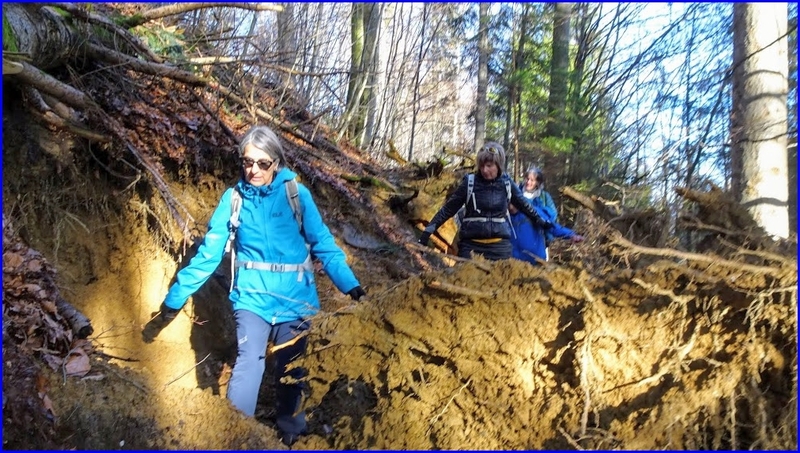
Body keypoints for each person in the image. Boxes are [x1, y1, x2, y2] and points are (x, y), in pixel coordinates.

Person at [158, 125, 366, 447]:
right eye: (247, 162)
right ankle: (236, 434)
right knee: (248, 361)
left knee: (292, 369)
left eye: (262, 163)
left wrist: (350, 285)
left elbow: (323, 244)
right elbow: (209, 254)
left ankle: (290, 437)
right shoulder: (234, 199)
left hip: (295, 298)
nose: (253, 170)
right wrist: (175, 298)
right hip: (252, 298)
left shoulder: (296, 195)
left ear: (276, 163)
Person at [417, 142, 552, 261]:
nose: (484, 170)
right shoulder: (469, 183)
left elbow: (525, 206)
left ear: (498, 165)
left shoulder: (507, 184)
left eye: (489, 165)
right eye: (481, 166)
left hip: (500, 248)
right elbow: (447, 210)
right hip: (470, 248)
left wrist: (542, 222)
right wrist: (425, 235)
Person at [510, 167, 583, 264]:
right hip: (513, 263)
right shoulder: (503, 215)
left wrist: (570, 235)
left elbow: (551, 225)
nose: (528, 182)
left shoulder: (537, 205)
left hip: (535, 260)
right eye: (527, 179)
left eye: (532, 180)